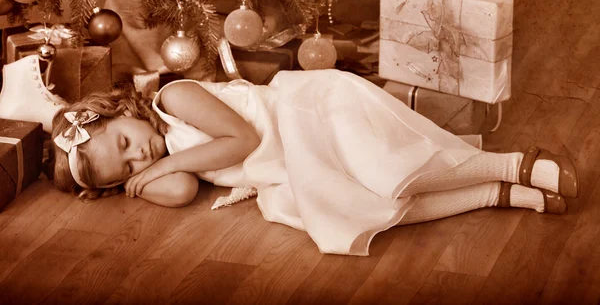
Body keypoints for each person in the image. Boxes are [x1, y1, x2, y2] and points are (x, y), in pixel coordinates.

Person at [49, 69, 579, 256]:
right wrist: (139, 180)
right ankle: (501, 195)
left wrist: (155, 169)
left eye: (124, 144)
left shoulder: (175, 98)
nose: (138, 156)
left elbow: (240, 139)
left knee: (384, 174)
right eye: (126, 169)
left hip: (308, 117)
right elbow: (183, 193)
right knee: (346, 212)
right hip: (287, 168)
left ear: (120, 110)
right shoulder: (168, 161)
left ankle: (517, 166)